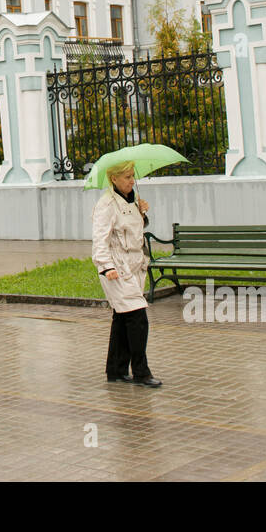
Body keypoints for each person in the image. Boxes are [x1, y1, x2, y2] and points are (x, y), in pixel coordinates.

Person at [91, 161, 161, 387]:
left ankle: (116, 370)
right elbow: (99, 239)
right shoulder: (106, 204)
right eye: (126, 177)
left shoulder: (132, 200)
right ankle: (141, 372)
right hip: (116, 269)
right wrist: (106, 266)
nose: (131, 180)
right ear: (114, 179)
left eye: (132, 176)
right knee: (137, 317)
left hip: (134, 266)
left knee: (122, 317)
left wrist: (143, 214)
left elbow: (135, 231)